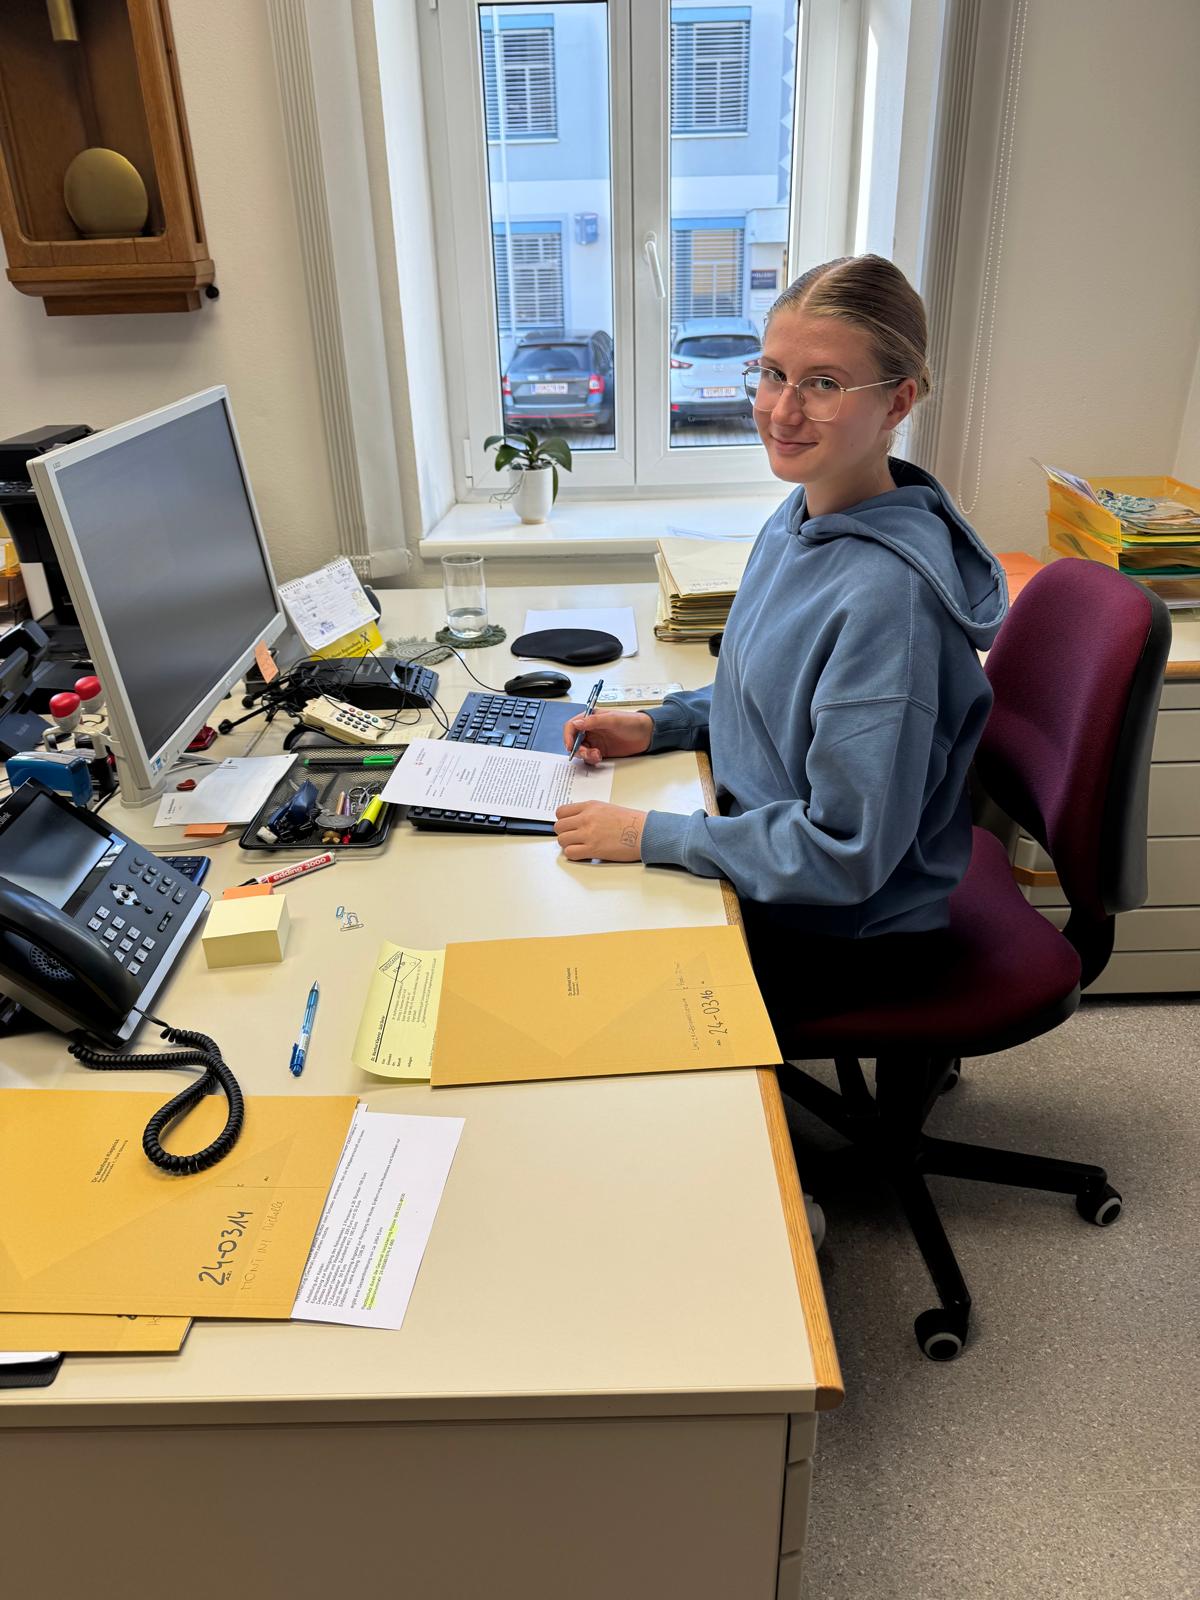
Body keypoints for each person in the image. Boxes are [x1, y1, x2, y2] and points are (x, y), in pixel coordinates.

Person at [553, 254, 1008, 1022]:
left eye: (823, 384)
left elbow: (844, 855)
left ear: (897, 402)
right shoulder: (803, 514)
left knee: (581, 990)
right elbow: (768, 686)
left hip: (838, 927)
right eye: (771, 374)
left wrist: (653, 835)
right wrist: (661, 724)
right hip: (764, 856)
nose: (781, 411)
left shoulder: (887, 606)